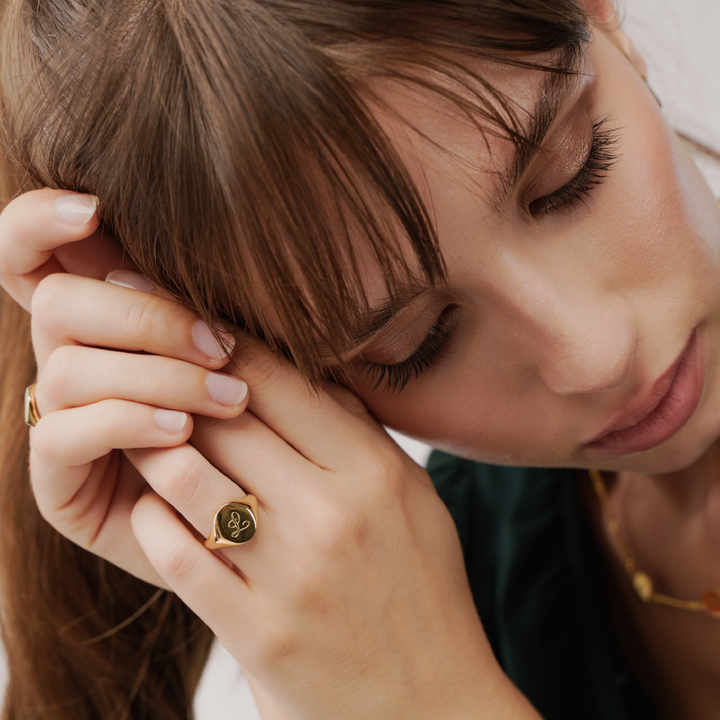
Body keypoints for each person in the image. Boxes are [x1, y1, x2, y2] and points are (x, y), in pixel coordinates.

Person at [0, 0, 718, 718]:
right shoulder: (400, 603)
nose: (594, 355)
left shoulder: (412, 657)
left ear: (601, 14)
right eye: (416, 344)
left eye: (573, 174)